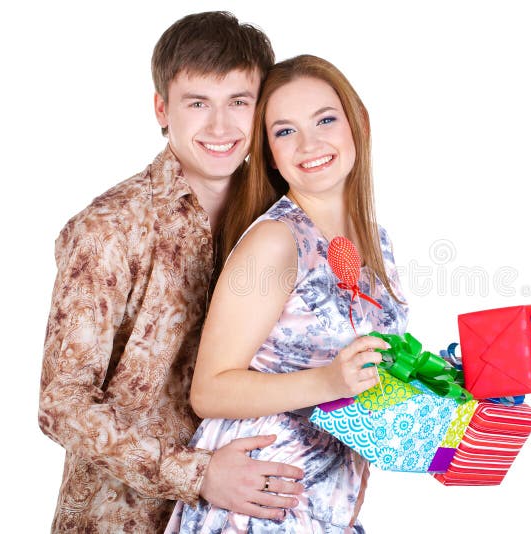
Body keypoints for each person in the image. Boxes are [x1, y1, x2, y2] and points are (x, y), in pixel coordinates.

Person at [38, 12, 306, 532]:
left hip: (251, 515)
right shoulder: (110, 228)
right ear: (162, 108)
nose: (221, 127)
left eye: (238, 103)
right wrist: (198, 474)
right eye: (198, 103)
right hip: (126, 516)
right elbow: (61, 402)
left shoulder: (283, 219)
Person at [165, 54, 409, 533]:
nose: (309, 143)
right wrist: (328, 382)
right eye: (284, 131)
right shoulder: (276, 241)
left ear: (358, 122)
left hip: (323, 506)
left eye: (324, 119)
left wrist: (453, 396)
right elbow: (209, 390)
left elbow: (366, 381)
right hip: (257, 508)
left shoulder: (374, 241)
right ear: (269, 152)